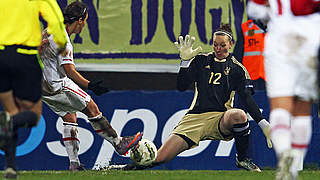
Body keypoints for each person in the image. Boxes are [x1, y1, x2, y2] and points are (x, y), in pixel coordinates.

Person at [109, 23, 272, 171]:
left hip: (220, 118)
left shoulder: (238, 69)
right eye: (215, 45)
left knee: (238, 115)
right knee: (158, 158)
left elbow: (247, 99)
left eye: (223, 45)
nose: (218, 48)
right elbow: (181, 87)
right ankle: (122, 169)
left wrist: (263, 124)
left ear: (231, 44)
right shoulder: (201, 61)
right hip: (194, 119)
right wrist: (185, 62)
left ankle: (243, 159)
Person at [38, 1, 143, 171]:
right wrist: (90, 85)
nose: (85, 25)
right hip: (56, 84)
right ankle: (119, 143)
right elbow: (70, 71)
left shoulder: (50, 30)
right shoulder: (63, 41)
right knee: (92, 108)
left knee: (69, 117)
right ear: (79, 20)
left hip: (41, 86)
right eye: (85, 20)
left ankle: (74, 164)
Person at [247, 0, 320, 179]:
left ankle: (284, 153)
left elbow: (254, 10)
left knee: (280, 108)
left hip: (279, 40)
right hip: (308, 41)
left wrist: (271, 12)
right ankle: (294, 167)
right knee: (302, 109)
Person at [0, 0, 67, 178]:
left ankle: (11, 167)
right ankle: (8, 126)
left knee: (11, 112)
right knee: (34, 115)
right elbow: (56, 19)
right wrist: (60, 43)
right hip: (25, 56)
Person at [234, 18, 267, 90]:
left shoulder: (279, 28)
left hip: (273, 78)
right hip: (251, 79)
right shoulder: (246, 28)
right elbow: (237, 56)